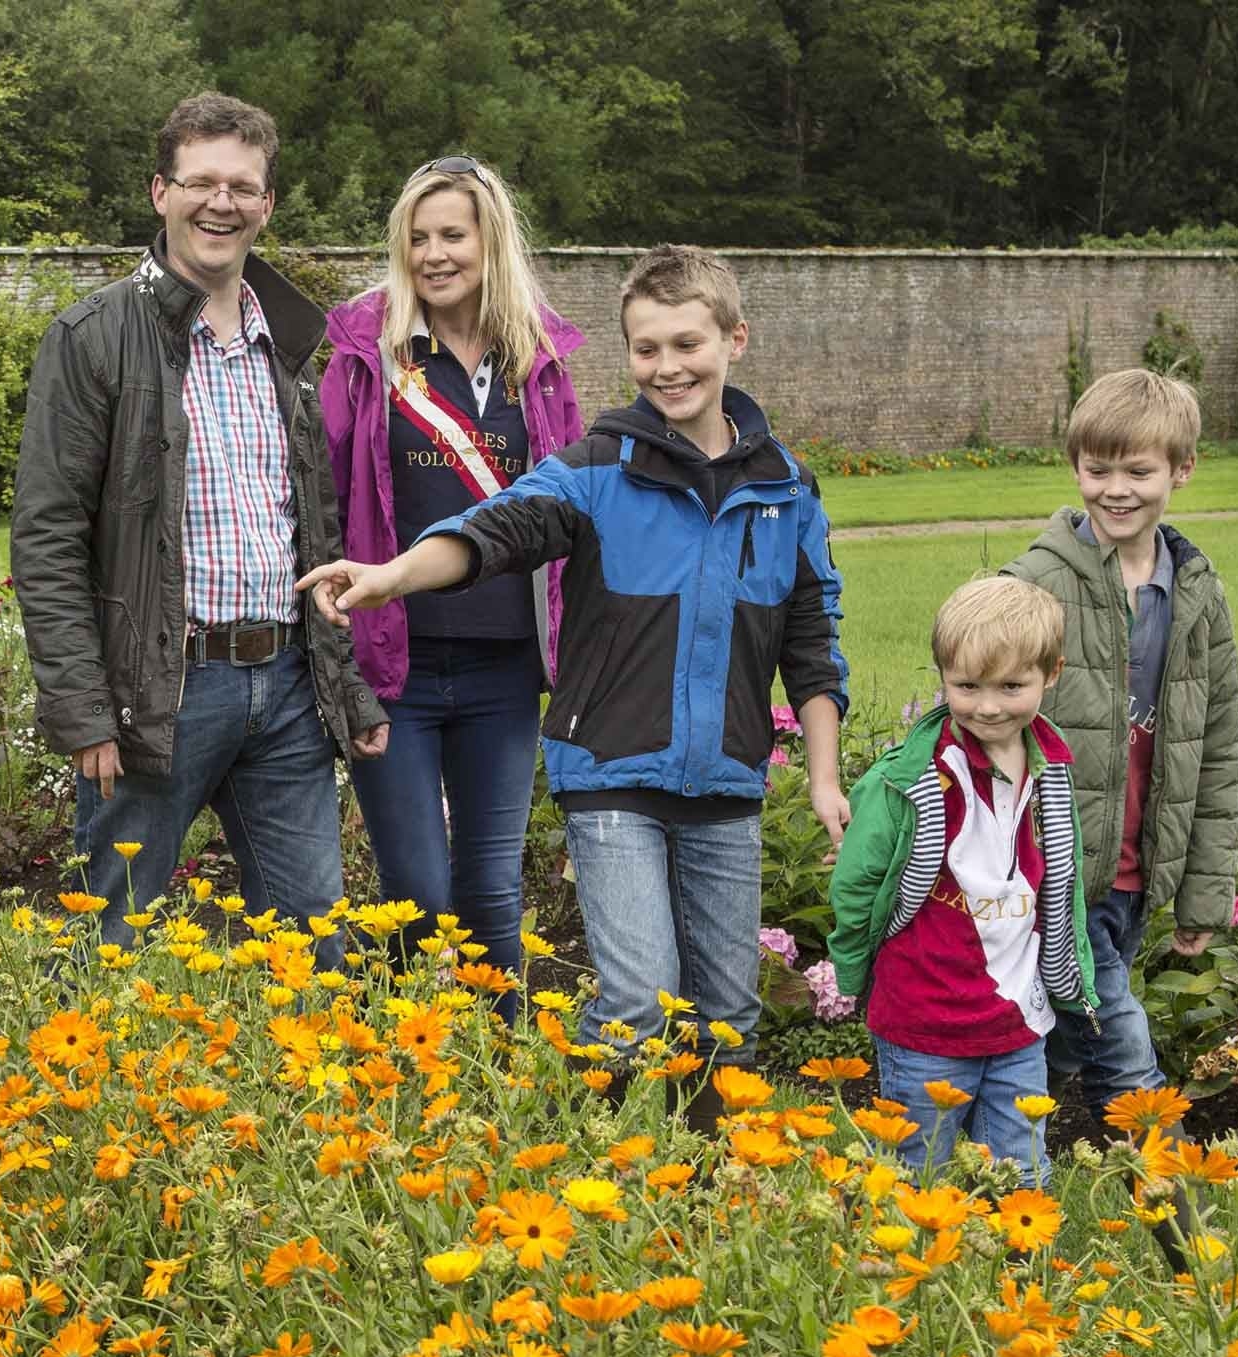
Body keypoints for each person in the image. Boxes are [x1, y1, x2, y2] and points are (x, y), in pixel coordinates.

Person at [298, 244, 848, 1055]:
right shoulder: (595, 472)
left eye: (687, 345)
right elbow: (490, 533)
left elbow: (813, 641)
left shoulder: (788, 490)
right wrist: (392, 577)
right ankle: (591, 1141)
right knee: (636, 1011)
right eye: (646, 348)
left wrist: (828, 778)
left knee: (728, 1022)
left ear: (735, 340)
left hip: (727, 783)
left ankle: (701, 1175)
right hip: (612, 775)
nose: (667, 368)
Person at [10, 92, 388, 953]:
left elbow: (310, 530)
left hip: (287, 686)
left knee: (314, 945)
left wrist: (342, 683)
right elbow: (47, 534)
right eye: (202, 181)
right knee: (114, 940)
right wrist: (80, 705)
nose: (222, 202)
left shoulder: (286, 344)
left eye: (243, 186)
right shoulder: (92, 338)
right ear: (160, 193)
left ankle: (304, 1089)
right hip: (159, 693)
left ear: (266, 205)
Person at [318, 156, 586, 986]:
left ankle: (497, 1066)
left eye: (453, 235)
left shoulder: (536, 362)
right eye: (418, 237)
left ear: (489, 242)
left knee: (492, 894)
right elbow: (324, 491)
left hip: (504, 666)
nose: (435, 254)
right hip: (394, 661)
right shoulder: (370, 353)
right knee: (419, 897)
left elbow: (573, 502)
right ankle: (404, 1058)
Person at [1002, 368, 1238, 1101]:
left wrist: (1203, 898)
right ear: (1074, 465)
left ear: (1182, 470)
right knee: (1125, 1052)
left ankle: (999, 1162)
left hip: (1138, 872)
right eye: (1096, 468)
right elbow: (975, 710)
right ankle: (1169, 1201)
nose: (1115, 489)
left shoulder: (1197, 594)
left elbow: (1222, 750)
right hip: (1055, 872)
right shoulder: (1036, 583)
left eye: (1138, 471)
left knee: (1056, 1045)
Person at [827, 577, 1095, 1184]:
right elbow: (856, 884)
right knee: (915, 1168)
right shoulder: (906, 782)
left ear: (1051, 674)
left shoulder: (1051, 775)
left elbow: (1062, 885)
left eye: (1012, 687)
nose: (988, 706)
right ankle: (900, 1268)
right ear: (942, 674)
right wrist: (852, 970)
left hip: (1018, 1021)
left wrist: (1071, 974)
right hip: (925, 1017)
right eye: (966, 686)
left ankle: (1016, 1272)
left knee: (1020, 1173)